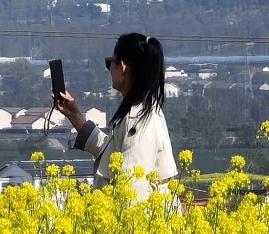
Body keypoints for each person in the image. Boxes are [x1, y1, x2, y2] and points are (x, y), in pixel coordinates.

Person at [53, 31, 177, 192]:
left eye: (109, 63)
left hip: (139, 216)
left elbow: (132, 187)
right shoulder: (141, 111)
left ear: (122, 67)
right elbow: (112, 155)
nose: (109, 69)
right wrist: (74, 114)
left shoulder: (138, 120)